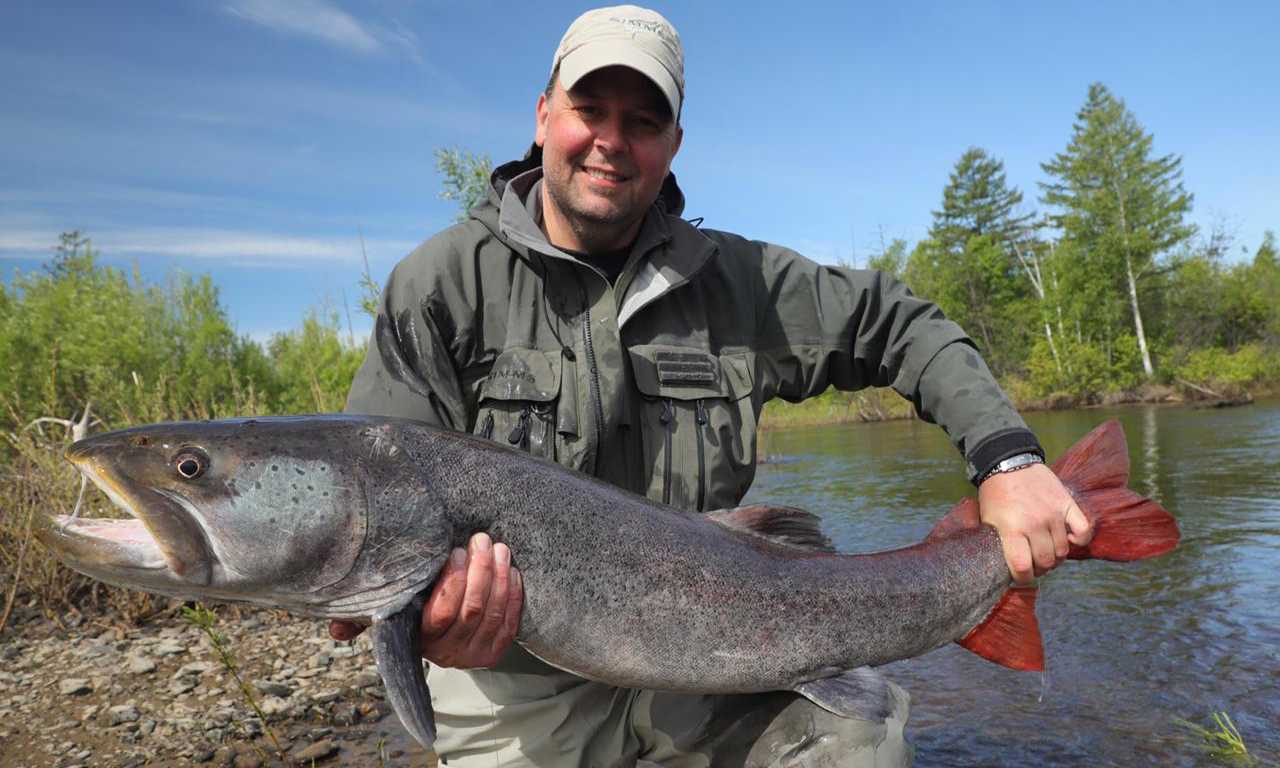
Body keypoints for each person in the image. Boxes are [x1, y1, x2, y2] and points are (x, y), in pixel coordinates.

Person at [334, 6, 1092, 766]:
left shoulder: (744, 283)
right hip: (517, 684)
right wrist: (415, 618)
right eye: (588, 110)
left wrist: (1010, 464)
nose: (610, 140)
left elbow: (901, 325)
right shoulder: (441, 287)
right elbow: (370, 506)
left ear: (673, 147)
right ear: (541, 116)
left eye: (642, 121)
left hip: (729, 657)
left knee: (858, 747)